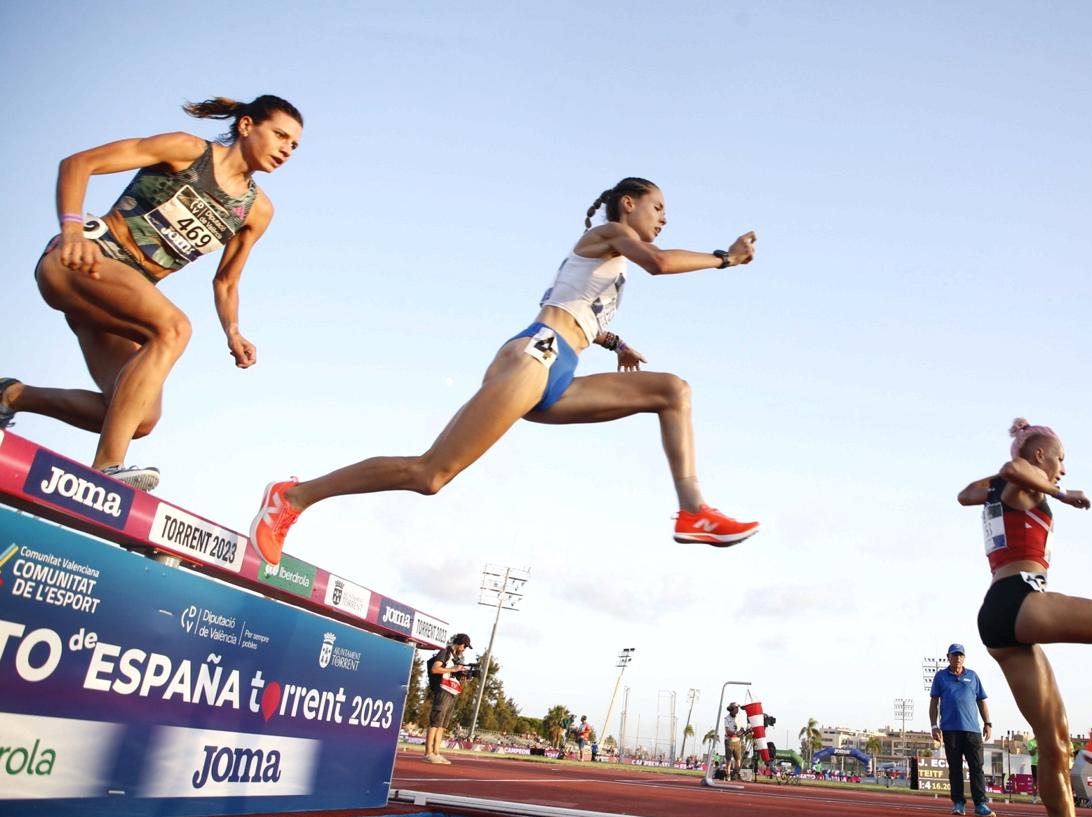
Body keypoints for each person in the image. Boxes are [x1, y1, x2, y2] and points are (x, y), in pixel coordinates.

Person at [249, 177, 759, 565]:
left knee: (672, 390)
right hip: (534, 356)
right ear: (630, 203)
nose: (664, 218)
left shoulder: (609, 262)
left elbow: (576, 309)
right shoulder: (610, 233)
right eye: (659, 207)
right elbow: (660, 262)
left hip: (561, 368)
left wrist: (617, 341)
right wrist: (725, 259)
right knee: (430, 475)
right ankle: (293, 496)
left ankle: (693, 511)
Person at [0, 95, 303, 491]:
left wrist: (233, 331)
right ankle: (107, 466)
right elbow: (78, 163)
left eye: (294, 145)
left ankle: (12, 395)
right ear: (246, 125)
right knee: (174, 328)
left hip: (119, 297)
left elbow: (226, 280)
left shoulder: (256, 211)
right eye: (280, 135)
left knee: (138, 419)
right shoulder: (187, 151)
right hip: (82, 261)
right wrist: (73, 230)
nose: (286, 149)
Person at [958, 418, 1092, 817]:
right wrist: (1060, 494)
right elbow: (1014, 468)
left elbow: (965, 495)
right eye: (1060, 458)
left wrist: (1014, 478)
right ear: (1039, 455)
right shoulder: (1030, 477)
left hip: (997, 616)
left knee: (1054, 744)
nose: (1063, 469)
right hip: (1022, 597)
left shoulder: (1003, 487)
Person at [929, 643, 996, 817]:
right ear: (948, 657)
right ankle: (958, 803)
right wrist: (934, 726)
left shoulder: (973, 676)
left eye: (960, 655)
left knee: (976, 767)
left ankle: (981, 804)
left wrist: (987, 723)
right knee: (955, 769)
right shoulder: (940, 677)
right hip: (950, 730)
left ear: (964, 658)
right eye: (954, 655)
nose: (957, 658)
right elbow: (934, 702)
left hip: (972, 731)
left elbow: (981, 701)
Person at [425, 633, 472, 764]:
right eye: (465, 646)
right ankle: (428, 752)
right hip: (443, 689)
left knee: (443, 725)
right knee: (435, 722)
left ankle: (436, 752)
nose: (464, 649)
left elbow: (453, 672)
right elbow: (435, 669)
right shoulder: (445, 652)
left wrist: (461, 675)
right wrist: (453, 669)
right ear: (460, 644)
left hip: (452, 691)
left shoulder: (457, 658)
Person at [724, 702, 744, 779]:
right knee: (728, 760)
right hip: (729, 741)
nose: (737, 709)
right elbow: (727, 731)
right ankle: (728, 774)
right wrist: (736, 733)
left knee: (738, 759)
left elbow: (742, 728)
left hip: (738, 741)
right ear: (731, 709)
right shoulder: (727, 718)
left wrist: (742, 732)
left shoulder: (738, 718)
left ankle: (736, 774)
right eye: (736, 708)